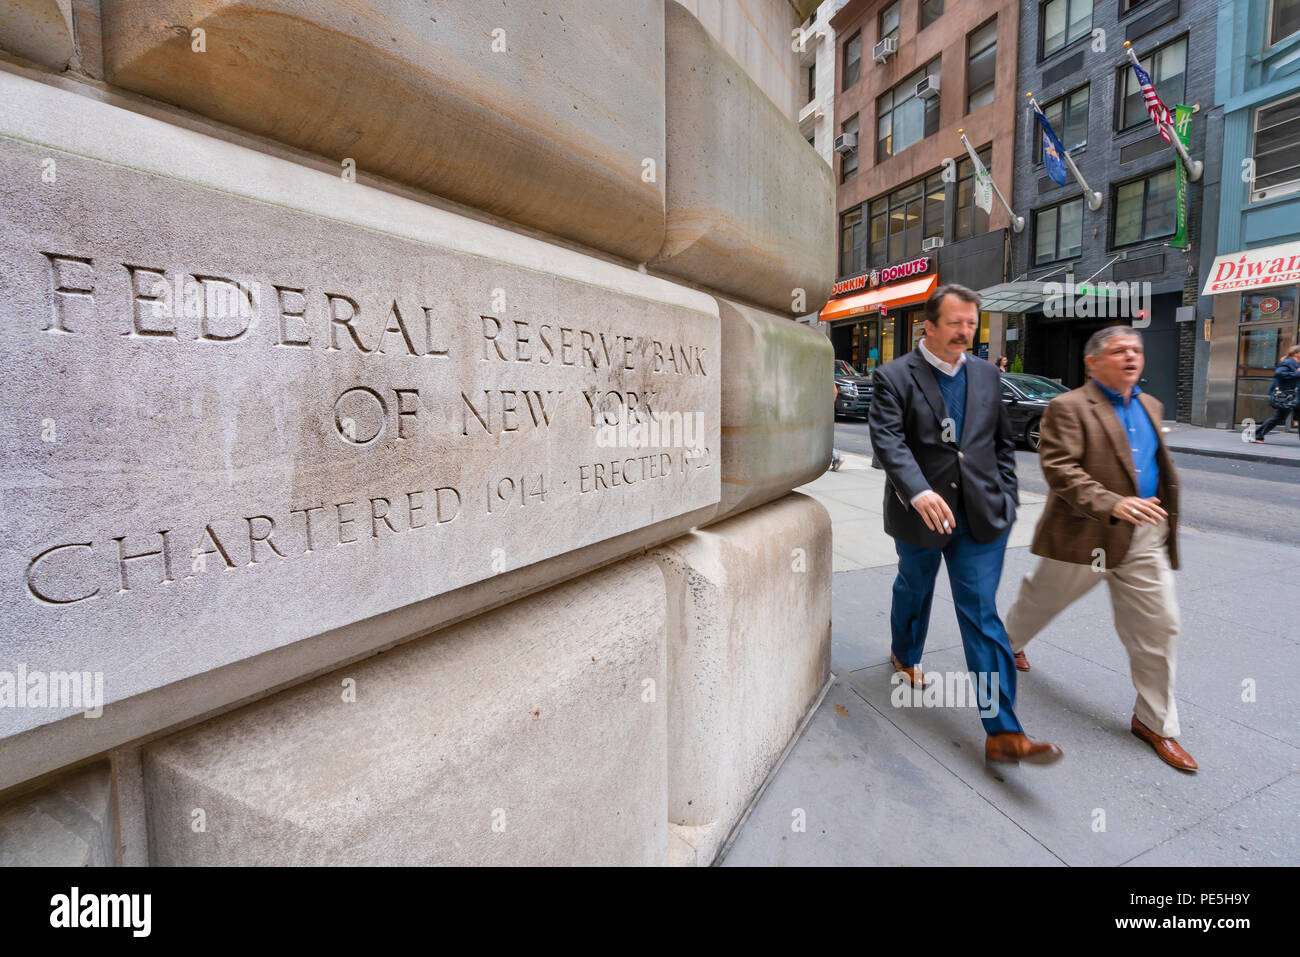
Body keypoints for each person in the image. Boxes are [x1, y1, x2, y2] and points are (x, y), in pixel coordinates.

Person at [869, 284, 1062, 765]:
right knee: (915, 587)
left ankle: (1003, 731)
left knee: (981, 613)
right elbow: (890, 444)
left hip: (981, 515)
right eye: (955, 323)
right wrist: (919, 491)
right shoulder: (894, 377)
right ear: (928, 326)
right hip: (922, 513)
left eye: (972, 324)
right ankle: (905, 653)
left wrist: (1008, 497)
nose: (965, 332)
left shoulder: (986, 375)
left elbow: (1000, 444)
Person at [1004, 326, 1197, 772]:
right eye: (1119, 350)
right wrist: (1112, 502)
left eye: (1137, 350)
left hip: (1145, 535)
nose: (1131, 357)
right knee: (1040, 601)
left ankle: (1154, 722)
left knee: (1160, 626)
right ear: (1092, 362)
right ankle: (1010, 643)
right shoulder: (1067, 406)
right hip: (1085, 534)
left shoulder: (1150, 405)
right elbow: (1060, 469)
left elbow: (1150, 464)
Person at [1253, 344, 1300, 443]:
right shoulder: (1288, 362)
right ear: (1296, 353)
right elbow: (1279, 374)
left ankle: (1258, 435)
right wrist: (1297, 373)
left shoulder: (1297, 363)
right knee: (1279, 417)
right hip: (1287, 395)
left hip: (1295, 395)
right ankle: (1258, 435)